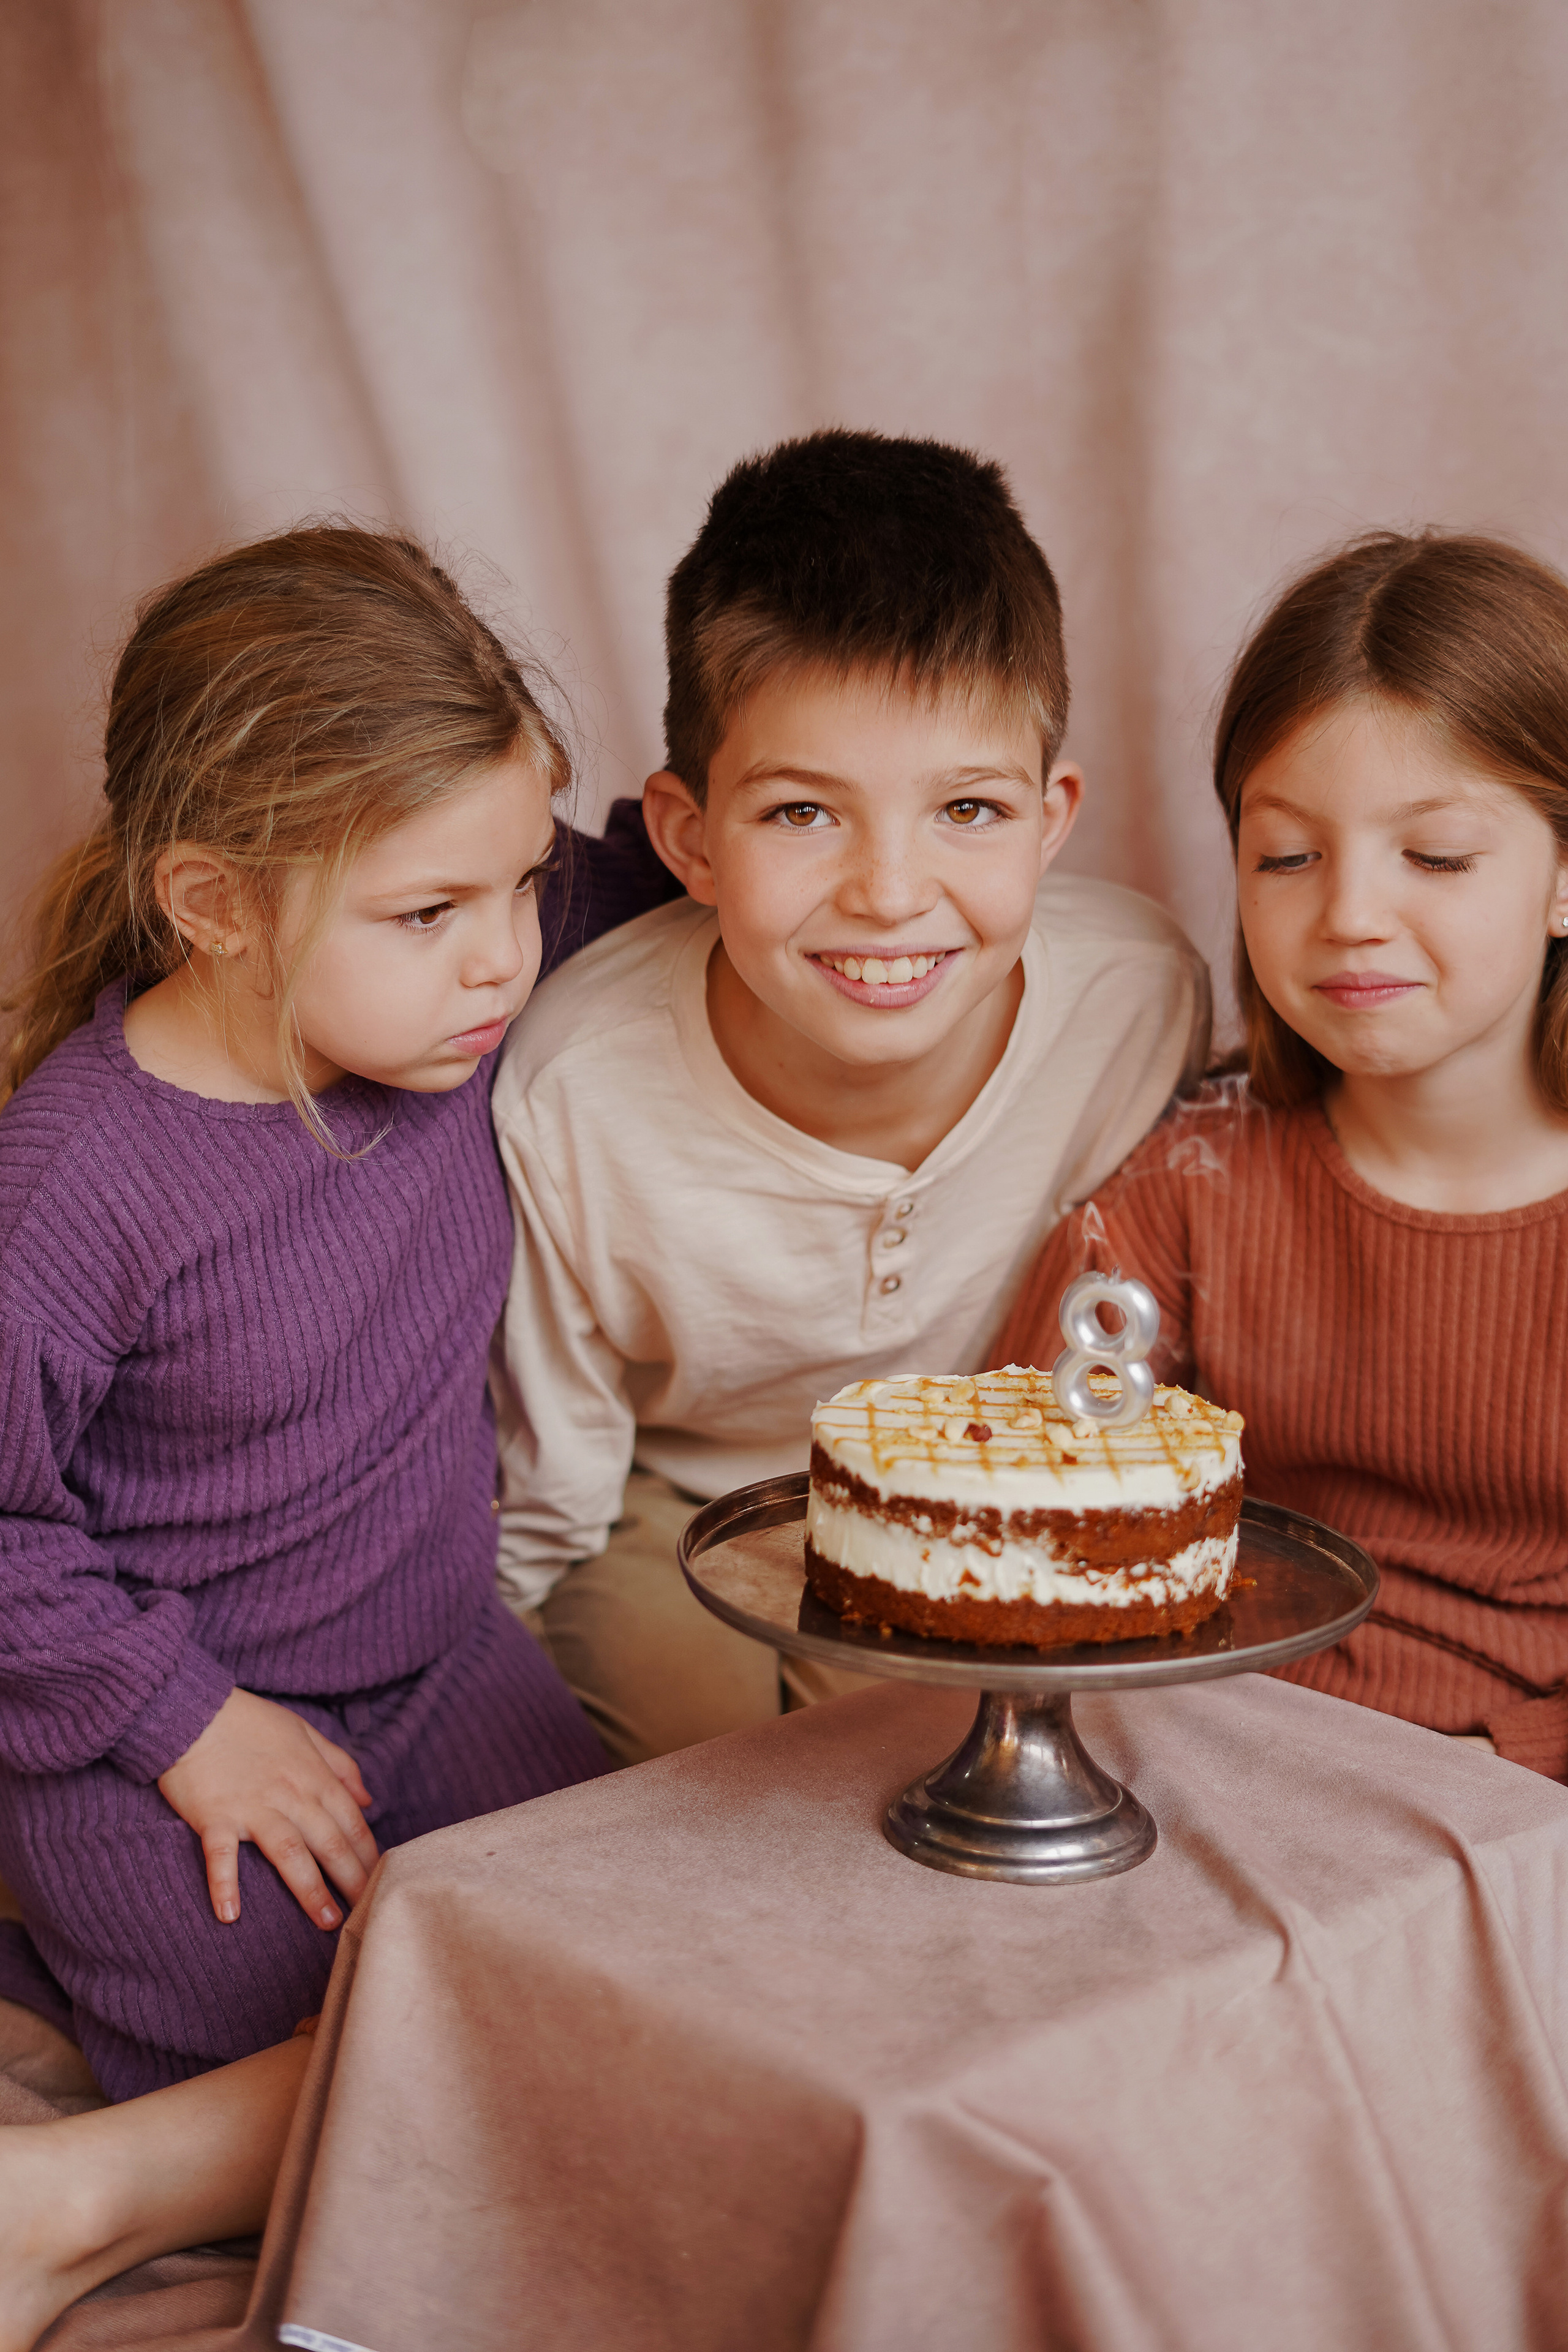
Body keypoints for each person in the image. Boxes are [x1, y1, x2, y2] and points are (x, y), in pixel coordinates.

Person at [0, 526, 668, 2346]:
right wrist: (179, 1724)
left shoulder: (453, 981)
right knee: (361, 2040)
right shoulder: (78, 1181)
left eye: (520, 887)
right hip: (167, 1734)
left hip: (442, 1663)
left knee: (635, 1980)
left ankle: (89, 2094)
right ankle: (68, 2182)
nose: (504, 962)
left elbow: (666, 850)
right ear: (215, 903)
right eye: (431, 916)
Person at [491, 429, 1211, 1765]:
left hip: (960, 1488)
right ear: (689, 837)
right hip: (668, 1497)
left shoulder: (1137, 998)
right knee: (666, 1774)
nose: (888, 891)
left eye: (968, 811)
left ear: (1052, 818)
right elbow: (554, 1460)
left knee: (904, 1775)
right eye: (803, 815)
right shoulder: (574, 1086)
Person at [995, 529, 1568, 1779]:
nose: (1348, 914)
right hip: (1225, 1762)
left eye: (1433, 856)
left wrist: (1491, 1786)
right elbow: (1031, 1520)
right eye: (1286, 857)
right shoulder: (1183, 1184)